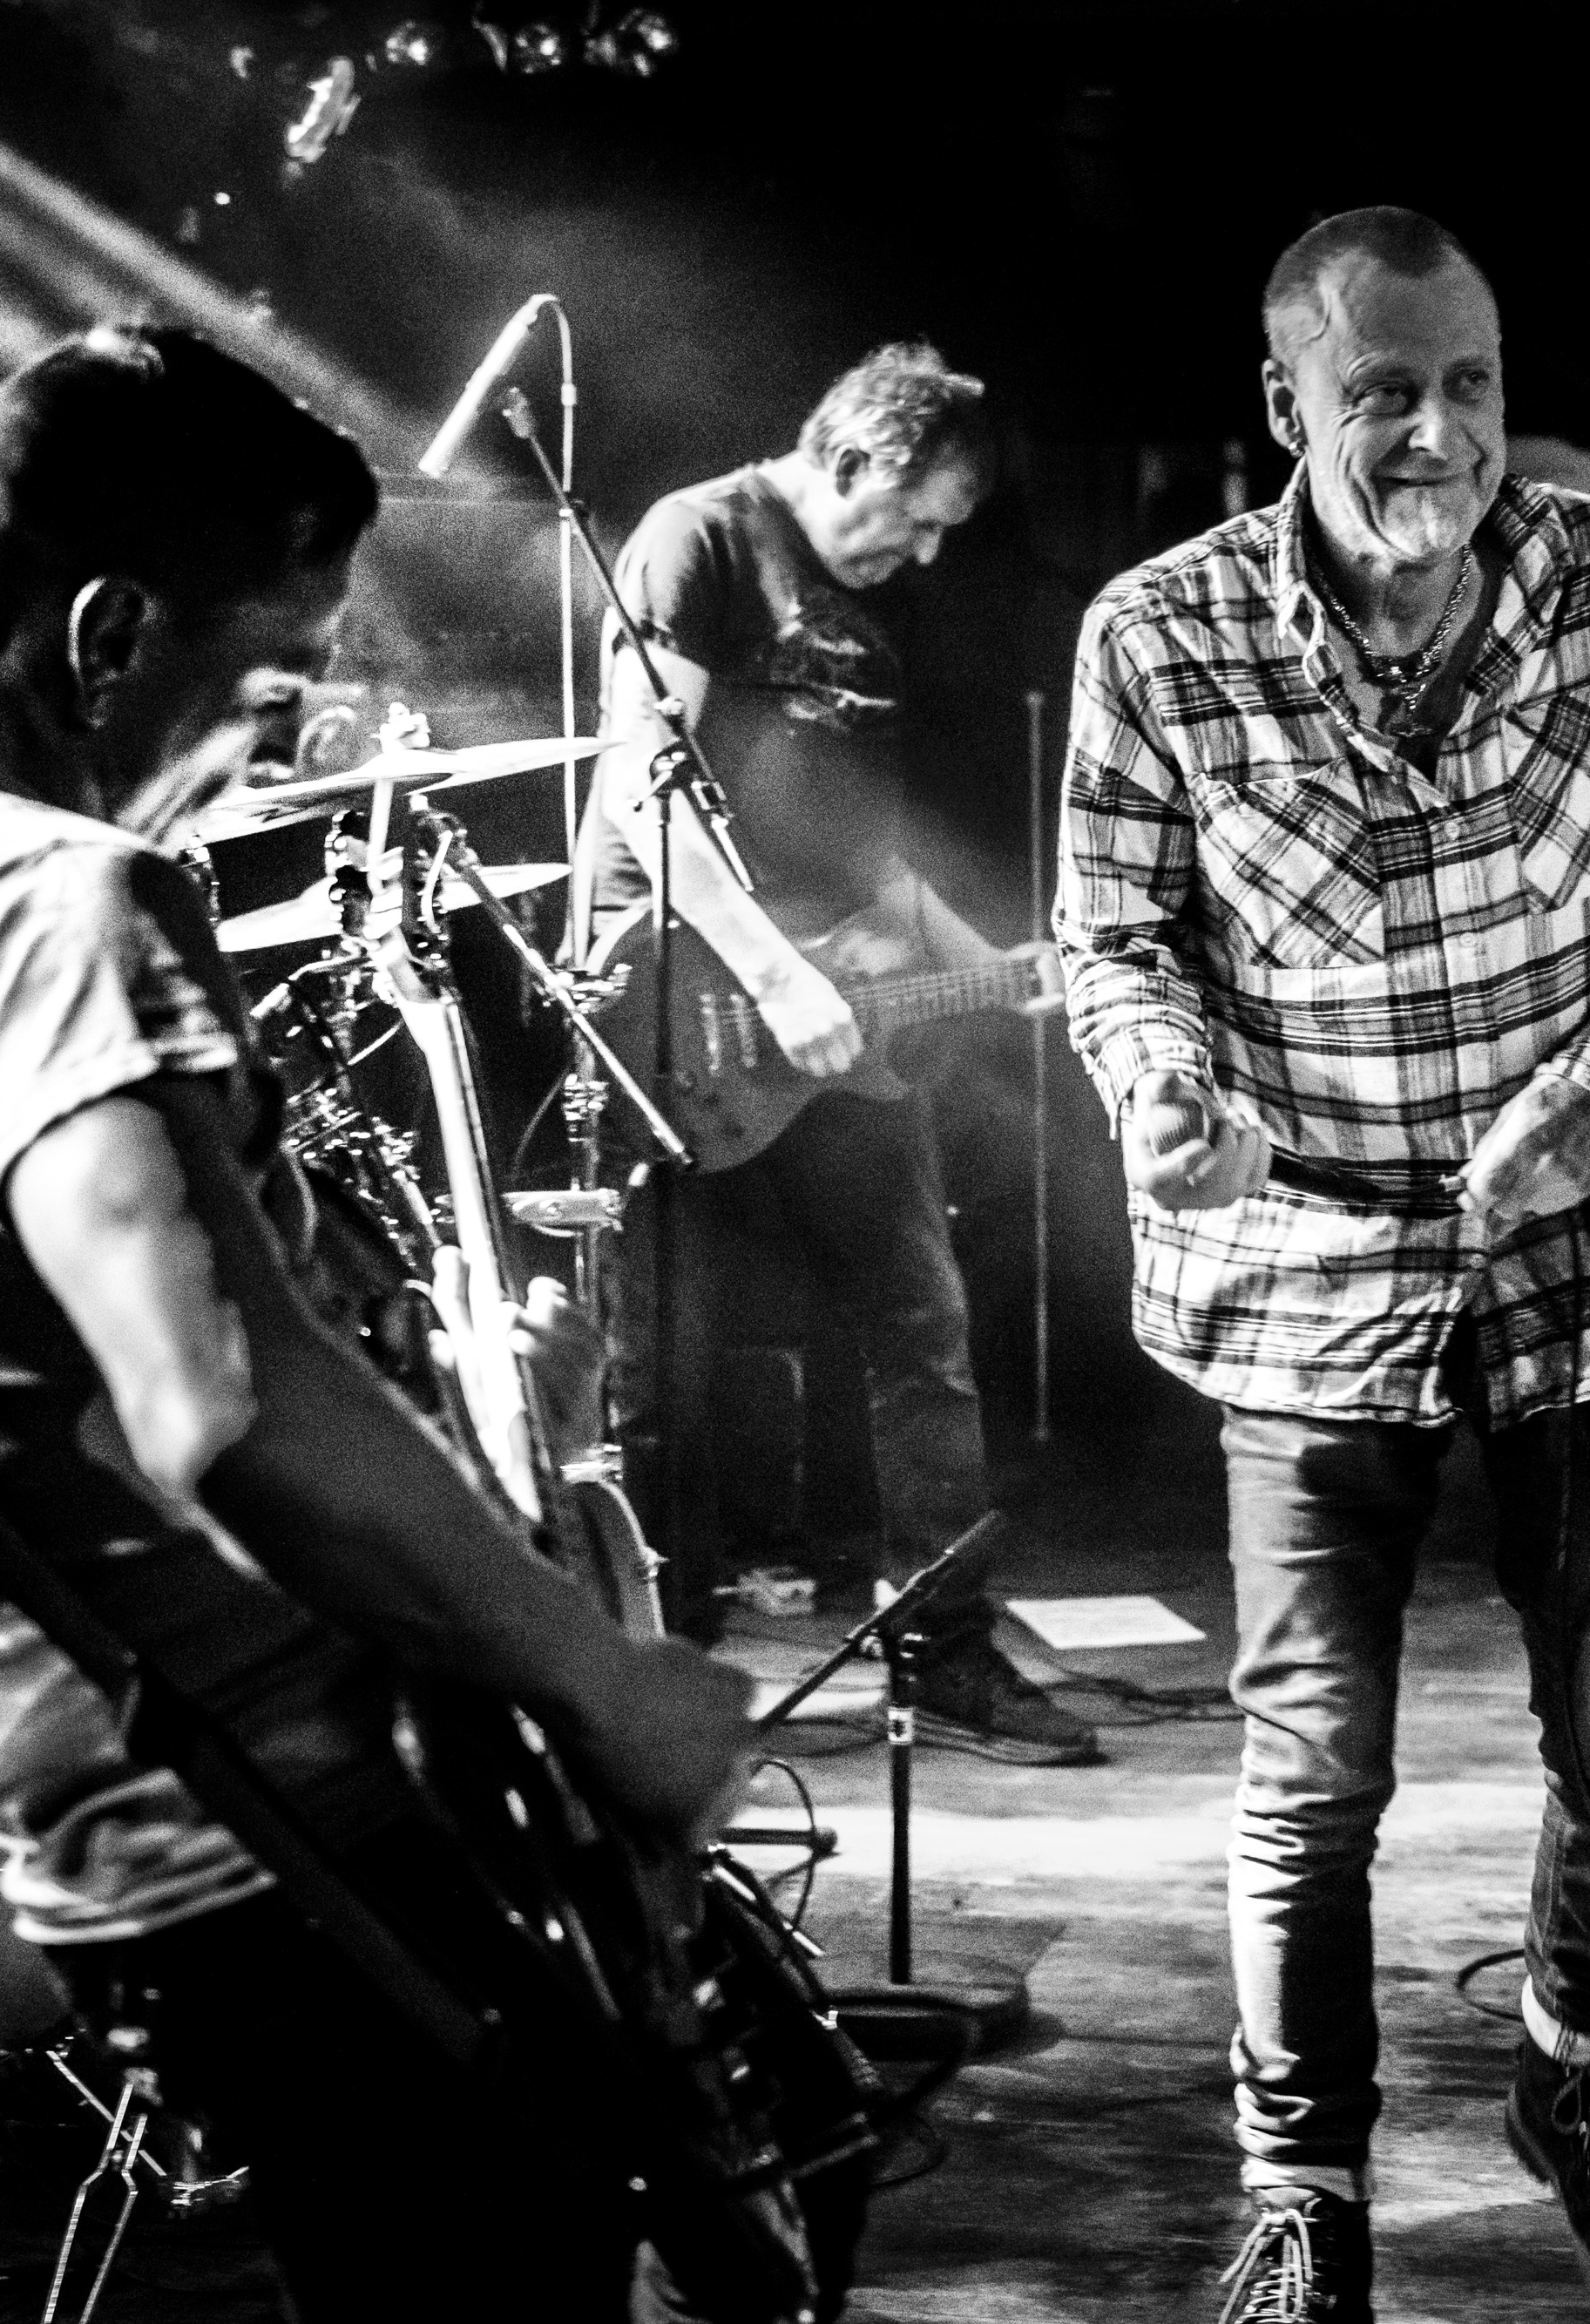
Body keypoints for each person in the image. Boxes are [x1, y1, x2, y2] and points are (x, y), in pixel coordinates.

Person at [0, 326, 759, 2321]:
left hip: (158, 1847)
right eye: (269, 683)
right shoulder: (38, 902)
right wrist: (600, 1680)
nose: (279, 752)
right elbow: (225, 1404)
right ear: (108, 634)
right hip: (301, 1847)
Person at [1058, 208, 1590, 2322]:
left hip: (1589, 1258)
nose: (1440, 433)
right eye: (1382, 389)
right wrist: (1159, 1083)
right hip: (1300, 1271)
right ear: (1283, 401)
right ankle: (1304, 2186)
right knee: (1313, 1770)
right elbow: (1115, 939)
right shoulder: (1156, 637)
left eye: (1469, 382)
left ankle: (1574, 2068)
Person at [579, 340, 1098, 1765]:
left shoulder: (872, 615)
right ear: (856, 457)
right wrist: (770, 971)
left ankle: (942, 1656)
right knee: (657, 1372)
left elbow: (870, 857)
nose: (924, 552)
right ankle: (658, 1684)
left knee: (923, 1329)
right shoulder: (699, 537)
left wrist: (996, 964)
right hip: (673, 992)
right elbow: (641, 788)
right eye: (915, 518)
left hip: (836, 1007)